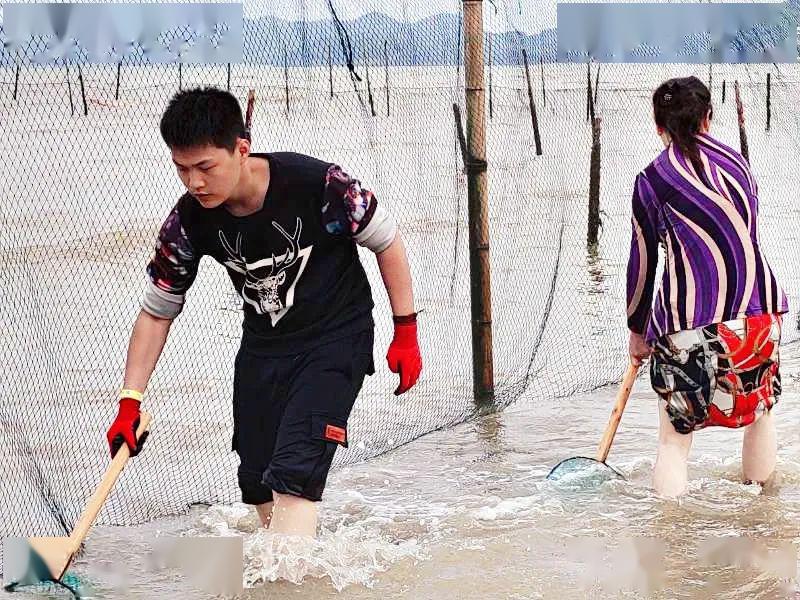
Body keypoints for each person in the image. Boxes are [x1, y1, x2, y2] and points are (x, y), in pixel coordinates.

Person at [105, 87, 423, 536]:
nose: (194, 182)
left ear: (241, 149)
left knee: (293, 473)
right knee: (256, 480)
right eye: (181, 168)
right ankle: (295, 568)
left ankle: (288, 575)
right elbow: (158, 311)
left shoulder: (319, 185)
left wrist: (405, 331)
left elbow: (386, 240)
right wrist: (130, 401)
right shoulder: (189, 220)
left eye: (205, 167)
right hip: (264, 347)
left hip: (336, 338)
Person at [625, 76, 788, 498]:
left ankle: (672, 546)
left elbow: (642, 262)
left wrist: (637, 330)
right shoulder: (739, 164)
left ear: (658, 126)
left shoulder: (651, 180)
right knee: (760, 415)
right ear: (708, 118)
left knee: (674, 442)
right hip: (757, 318)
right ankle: (761, 518)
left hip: (687, 326)